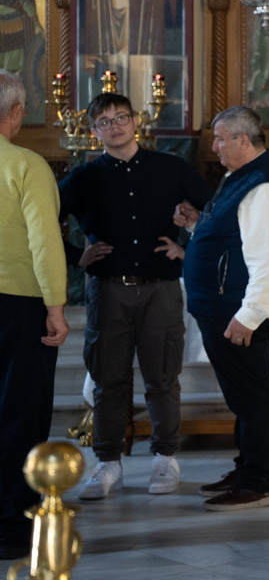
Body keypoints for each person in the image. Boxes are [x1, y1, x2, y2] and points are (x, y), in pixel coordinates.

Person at [59, 91, 212, 500]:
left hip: (160, 289)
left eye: (121, 117)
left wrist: (188, 244)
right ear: (94, 132)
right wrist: (76, 256)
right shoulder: (84, 178)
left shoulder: (170, 167)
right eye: (104, 122)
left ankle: (165, 458)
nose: (115, 126)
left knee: (163, 378)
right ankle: (108, 463)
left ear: (136, 121)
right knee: (109, 381)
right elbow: (40, 217)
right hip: (108, 291)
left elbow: (216, 211)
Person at [178, 106, 269, 511]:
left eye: (220, 139)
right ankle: (245, 469)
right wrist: (196, 225)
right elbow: (234, 238)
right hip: (222, 306)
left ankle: (258, 483)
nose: (214, 147)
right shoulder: (242, 177)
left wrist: (249, 316)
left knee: (252, 398)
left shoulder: (263, 187)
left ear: (243, 140)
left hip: (236, 312)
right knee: (242, 398)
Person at [0, 70, 68, 559]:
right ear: (17, 112)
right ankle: (11, 527)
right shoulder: (26, 165)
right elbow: (45, 244)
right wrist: (56, 308)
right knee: (19, 412)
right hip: (18, 305)